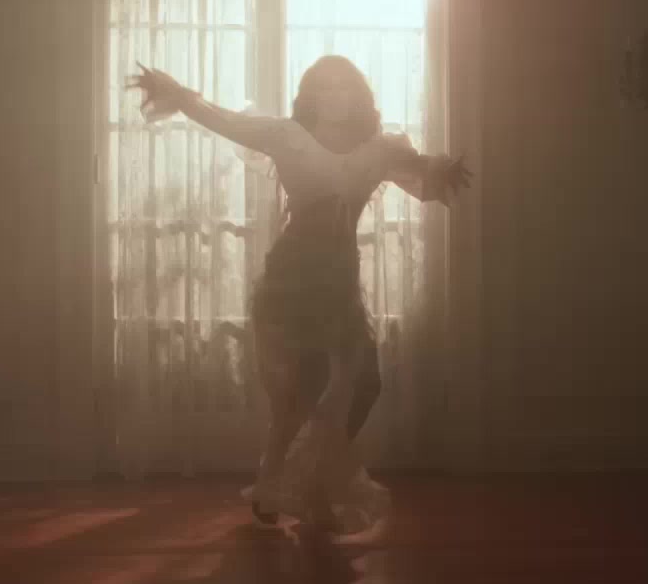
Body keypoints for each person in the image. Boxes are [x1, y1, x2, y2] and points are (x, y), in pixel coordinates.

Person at [127, 56, 469, 532]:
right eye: (324, 88)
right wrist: (177, 93)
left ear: (358, 96)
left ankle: (295, 482)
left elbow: (422, 171)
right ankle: (284, 487)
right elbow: (224, 120)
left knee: (363, 384)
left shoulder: (379, 148)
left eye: (344, 87)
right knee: (297, 398)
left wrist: (443, 169)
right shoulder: (287, 136)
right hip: (292, 282)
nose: (335, 97)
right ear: (310, 96)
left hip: (340, 284)